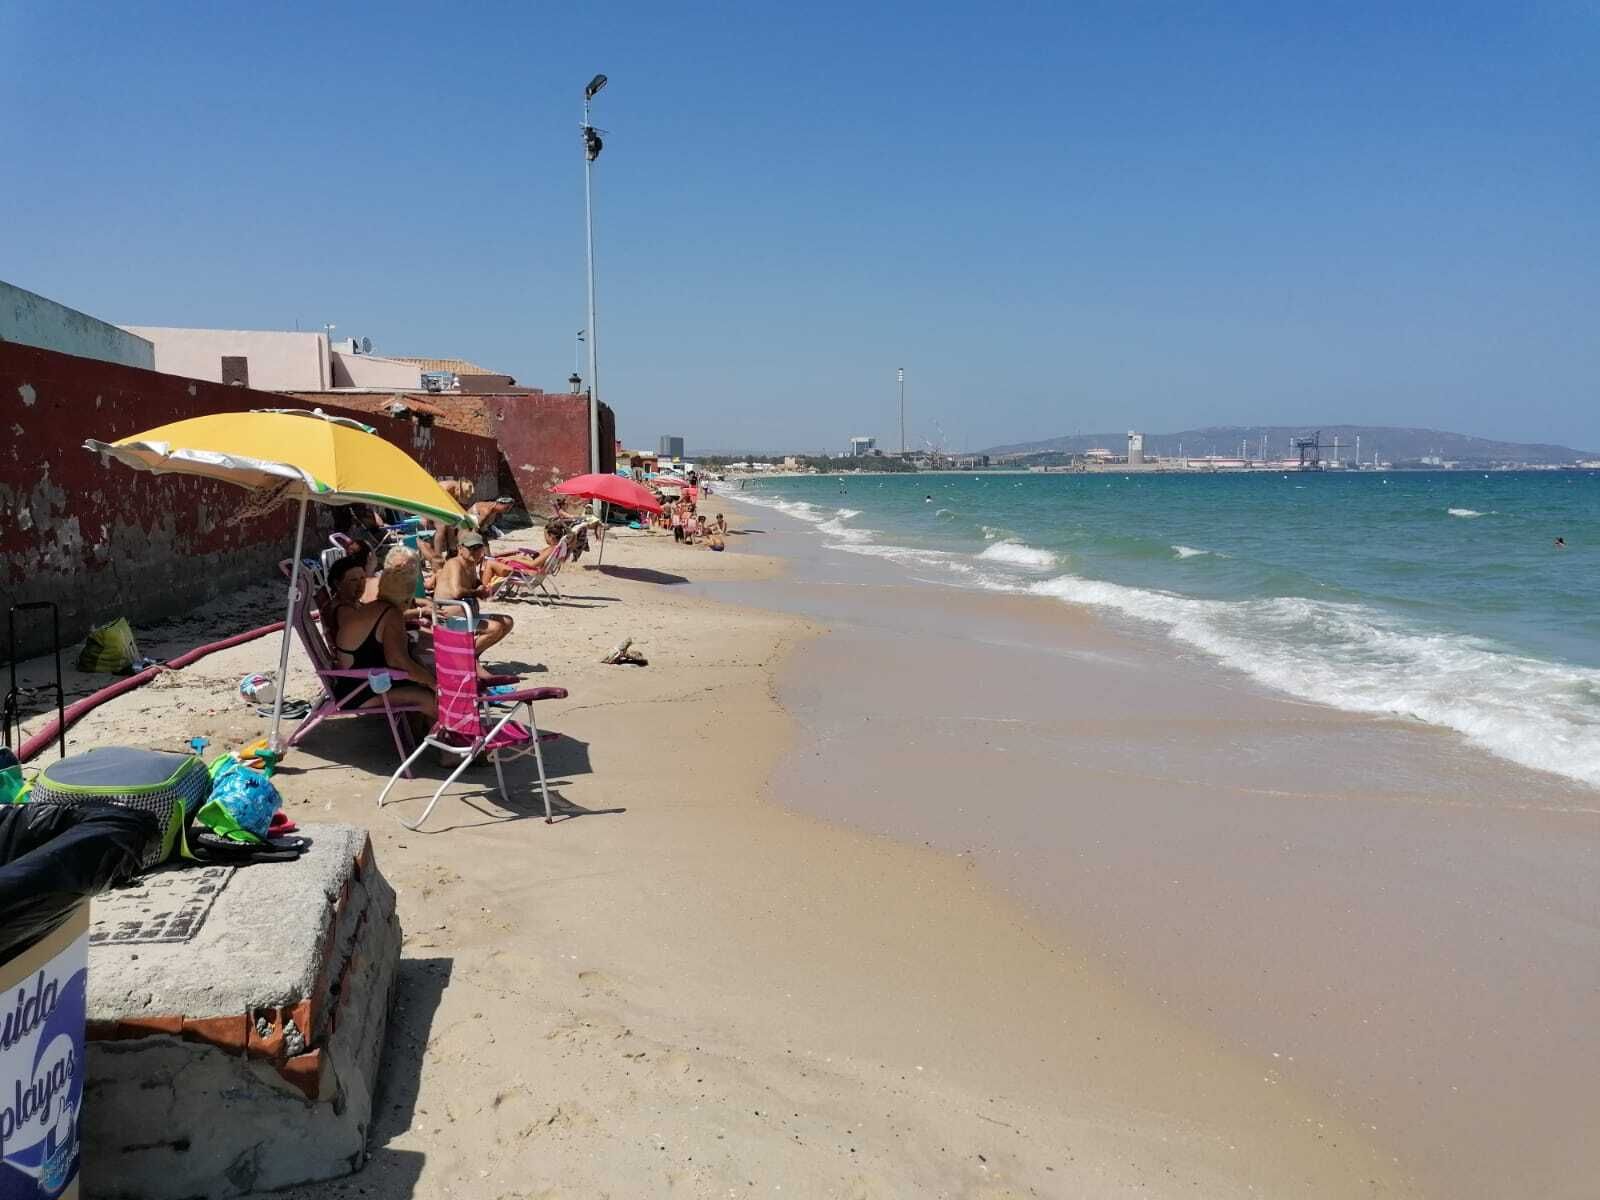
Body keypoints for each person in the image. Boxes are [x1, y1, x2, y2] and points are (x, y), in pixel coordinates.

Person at [325, 556, 436, 721]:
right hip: (360, 688)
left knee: (423, 673)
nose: (360, 584)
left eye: (363, 578)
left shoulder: (361, 607)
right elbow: (398, 662)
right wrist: (432, 683)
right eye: (353, 580)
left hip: (361, 680)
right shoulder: (346, 612)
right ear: (337, 584)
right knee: (431, 696)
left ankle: (428, 734)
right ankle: (454, 739)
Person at [433, 533, 514, 659]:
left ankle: (472, 657)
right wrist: (477, 592)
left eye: (478, 548)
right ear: (460, 548)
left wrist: (482, 588)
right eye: (471, 548)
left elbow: (474, 585)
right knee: (495, 628)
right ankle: (465, 658)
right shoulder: (454, 563)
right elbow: (457, 592)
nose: (475, 552)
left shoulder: (470, 564)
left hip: (468, 615)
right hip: (449, 619)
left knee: (507, 622)